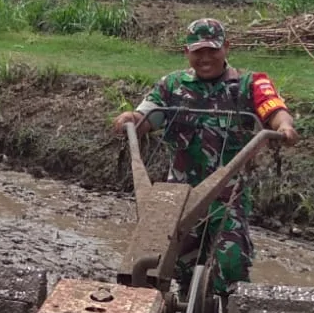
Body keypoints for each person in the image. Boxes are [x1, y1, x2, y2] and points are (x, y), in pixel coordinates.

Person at [110, 18, 298, 298]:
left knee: (232, 262)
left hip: (227, 192)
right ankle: (181, 305)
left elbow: (273, 109)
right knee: (169, 261)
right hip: (180, 195)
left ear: (226, 48)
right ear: (187, 52)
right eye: (198, 51)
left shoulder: (250, 84)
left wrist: (284, 126)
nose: (205, 58)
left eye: (213, 50)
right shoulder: (172, 85)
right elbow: (148, 115)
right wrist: (131, 119)